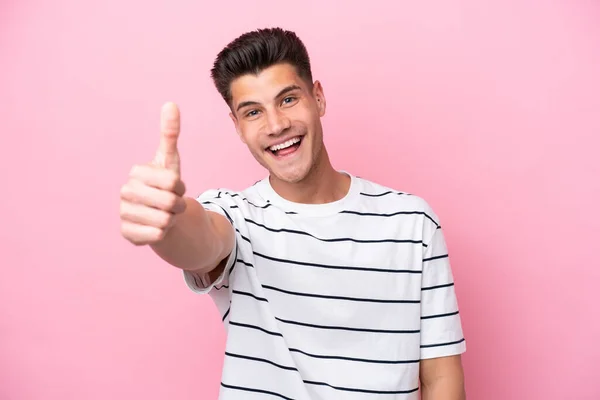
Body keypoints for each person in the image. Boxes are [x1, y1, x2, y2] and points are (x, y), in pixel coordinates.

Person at [119, 27, 467, 400]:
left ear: (317, 98)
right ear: (237, 127)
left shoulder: (412, 223)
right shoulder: (237, 216)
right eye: (253, 112)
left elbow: (440, 379)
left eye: (287, 100)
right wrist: (169, 222)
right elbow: (201, 240)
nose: (276, 125)